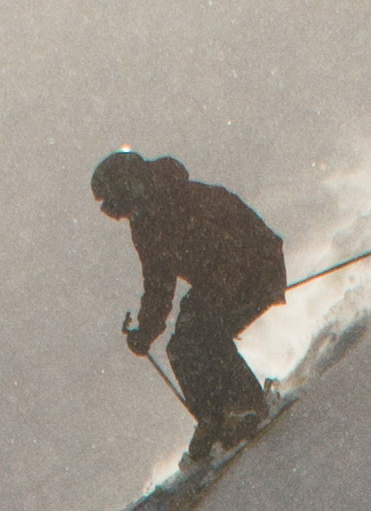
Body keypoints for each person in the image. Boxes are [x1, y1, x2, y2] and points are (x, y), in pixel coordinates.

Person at [91, 151, 287, 458]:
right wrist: (147, 330)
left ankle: (247, 406)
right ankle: (214, 417)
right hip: (222, 282)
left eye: (118, 207)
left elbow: (231, 248)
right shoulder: (145, 225)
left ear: (131, 188)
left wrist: (214, 299)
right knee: (181, 346)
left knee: (203, 330)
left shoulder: (180, 199)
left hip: (256, 268)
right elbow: (158, 282)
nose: (123, 217)